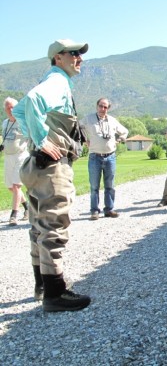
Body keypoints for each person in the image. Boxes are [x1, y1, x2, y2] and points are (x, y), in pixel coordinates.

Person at [12, 38, 91, 312]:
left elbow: (19, 110)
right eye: (74, 54)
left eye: (80, 54)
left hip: (36, 165)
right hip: (52, 167)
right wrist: (42, 138)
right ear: (58, 57)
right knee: (54, 227)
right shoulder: (57, 82)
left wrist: (37, 139)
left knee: (38, 226)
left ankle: (41, 284)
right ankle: (55, 293)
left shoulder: (55, 80)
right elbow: (32, 101)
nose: (79, 58)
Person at [80, 98, 129, 220]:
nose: (103, 109)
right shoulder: (88, 119)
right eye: (101, 106)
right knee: (94, 186)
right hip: (95, 156)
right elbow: (77, 127)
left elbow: (125, 131)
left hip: (110, 156)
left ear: (108, 108)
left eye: (105, 107)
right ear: (97, 106)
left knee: (110, 185)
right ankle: (94, 211)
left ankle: (109, 209)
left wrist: (119, 140)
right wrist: (84, 139)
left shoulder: (112, 121)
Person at [2, 97, 30, 226]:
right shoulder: (5, 123)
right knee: (10, 187)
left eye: (12, 107)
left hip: (20, 155)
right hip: (8, 157)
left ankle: (14, 215)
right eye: (7, 107)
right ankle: (27, 207)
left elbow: (31, 135)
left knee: (16, 186)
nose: (10, 109)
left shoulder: (23, 122)